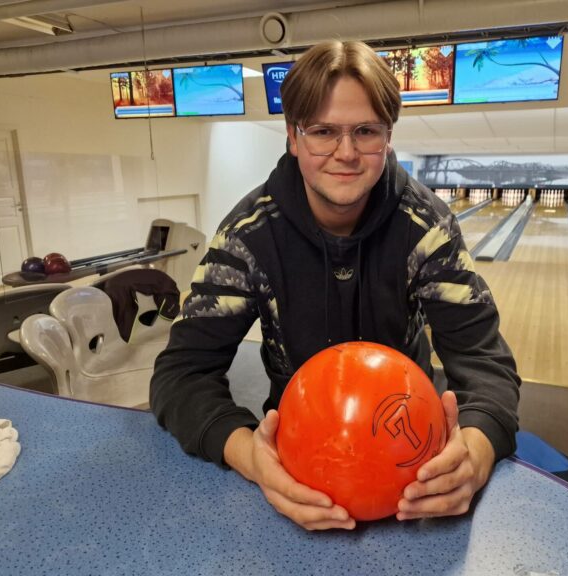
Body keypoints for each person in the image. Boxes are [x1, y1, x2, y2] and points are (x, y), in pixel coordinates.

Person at [150, 40, 521, 531]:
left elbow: (484, 361)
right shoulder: (247, 238)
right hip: (298, 464)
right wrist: (251, 457)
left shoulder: (426, 227)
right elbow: (180, 375)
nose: (345, 153)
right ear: (293, 137)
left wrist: (474, 452)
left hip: (414, 462)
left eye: (365, 131)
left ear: (387, 137)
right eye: (324, 131)